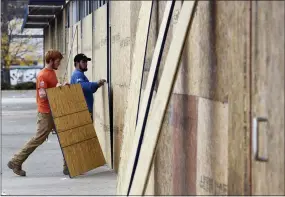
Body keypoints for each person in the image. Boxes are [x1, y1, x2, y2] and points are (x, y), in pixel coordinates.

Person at [7, 49, 70, 176]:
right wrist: (56, 89)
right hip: (46, 113)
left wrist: (61, 86)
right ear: (51, 61)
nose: (59, 64)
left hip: (54, 111)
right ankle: (16, 161)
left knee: (65, 136)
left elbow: (52, 89)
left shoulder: (52, 72)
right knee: (38, 139)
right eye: (58, 61)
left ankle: (68, 166)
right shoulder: (43, 75)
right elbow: (42, 95)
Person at [70, 53, 106, 120]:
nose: (86, 64)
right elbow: (82, 86)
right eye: (83, 62)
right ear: (77, 63)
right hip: (83, 110)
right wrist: (96, 84)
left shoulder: (80, 74)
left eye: (86, 62)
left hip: (84, 110)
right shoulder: (77, 74)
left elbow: (89, 89)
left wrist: (97, 85)